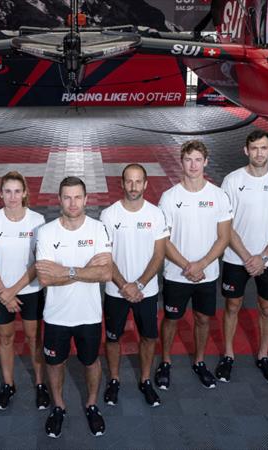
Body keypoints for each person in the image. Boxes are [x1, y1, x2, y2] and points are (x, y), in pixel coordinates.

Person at [216, 130, 268, 384]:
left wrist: (262, 257)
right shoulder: (232, 180)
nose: (259, 153)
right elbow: (225, 225)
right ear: (246, 150)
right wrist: (246, 257)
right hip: (235, 257)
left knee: (267, 307)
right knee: (232, 306)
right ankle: (228, 355)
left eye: (264, 148)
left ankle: (263, 356)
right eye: (254, 148)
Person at [35, 176, 113, 438]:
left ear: (86, 199)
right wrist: (85, 269)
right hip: (56, 316)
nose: (72, 202)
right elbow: (45, 278)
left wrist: (65, 270)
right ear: (59, 199)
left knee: (91, 362)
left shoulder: (97, 229)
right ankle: (58, 405)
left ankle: (91, 404)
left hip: (88, 315)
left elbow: (105, 274)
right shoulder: (46, 232)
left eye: (77, 197)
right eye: (67, 197)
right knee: (55, 364)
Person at [156, 140, 232, 390]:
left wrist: (202, 264)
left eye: (198, 159)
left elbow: (224, 237)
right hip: (176, 274)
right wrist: (188, 266)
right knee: (171, 318)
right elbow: (163, 240)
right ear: (181, 162)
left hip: (207, 274)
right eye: (188, 159)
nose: (193, 165)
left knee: (202, 318)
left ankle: (199, 361)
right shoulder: (169, 197)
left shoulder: (218, 196)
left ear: (206, 162)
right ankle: (165, 361)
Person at [0, 171, 50, 410]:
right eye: (7, 191)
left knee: (34, 339)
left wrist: (13, 291)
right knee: (5, 339)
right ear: (0, 193)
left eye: (17, 191)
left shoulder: (37, 220)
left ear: (25, 193)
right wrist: (4, 292)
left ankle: (40, 384)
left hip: (30, 291)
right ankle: (8, 384)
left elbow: (37, 264)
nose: (12, 196)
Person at [99, 164, 168, 408]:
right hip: (116, 291)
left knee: (149, 337)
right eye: (129, 181)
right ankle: (114, 380)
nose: (134, 186)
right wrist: (124, 285)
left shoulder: (156, 214)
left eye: (138, 181)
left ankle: (146, 380)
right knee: (113, 338)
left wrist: (138, 284)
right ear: (122, 183)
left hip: (146, 291)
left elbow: (159, 255)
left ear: (146, 184)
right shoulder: (109, 215)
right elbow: (105, 257)